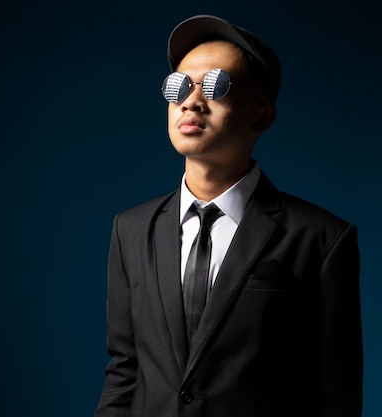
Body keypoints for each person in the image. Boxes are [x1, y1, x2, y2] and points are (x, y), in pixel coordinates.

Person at [94, 14, 363, 417]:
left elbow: (335, 395)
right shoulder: (131, 230)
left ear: (262, 117)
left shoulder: (321, 239)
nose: (191, 101)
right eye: (178, 86)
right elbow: (124, 371)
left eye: (216, 86)